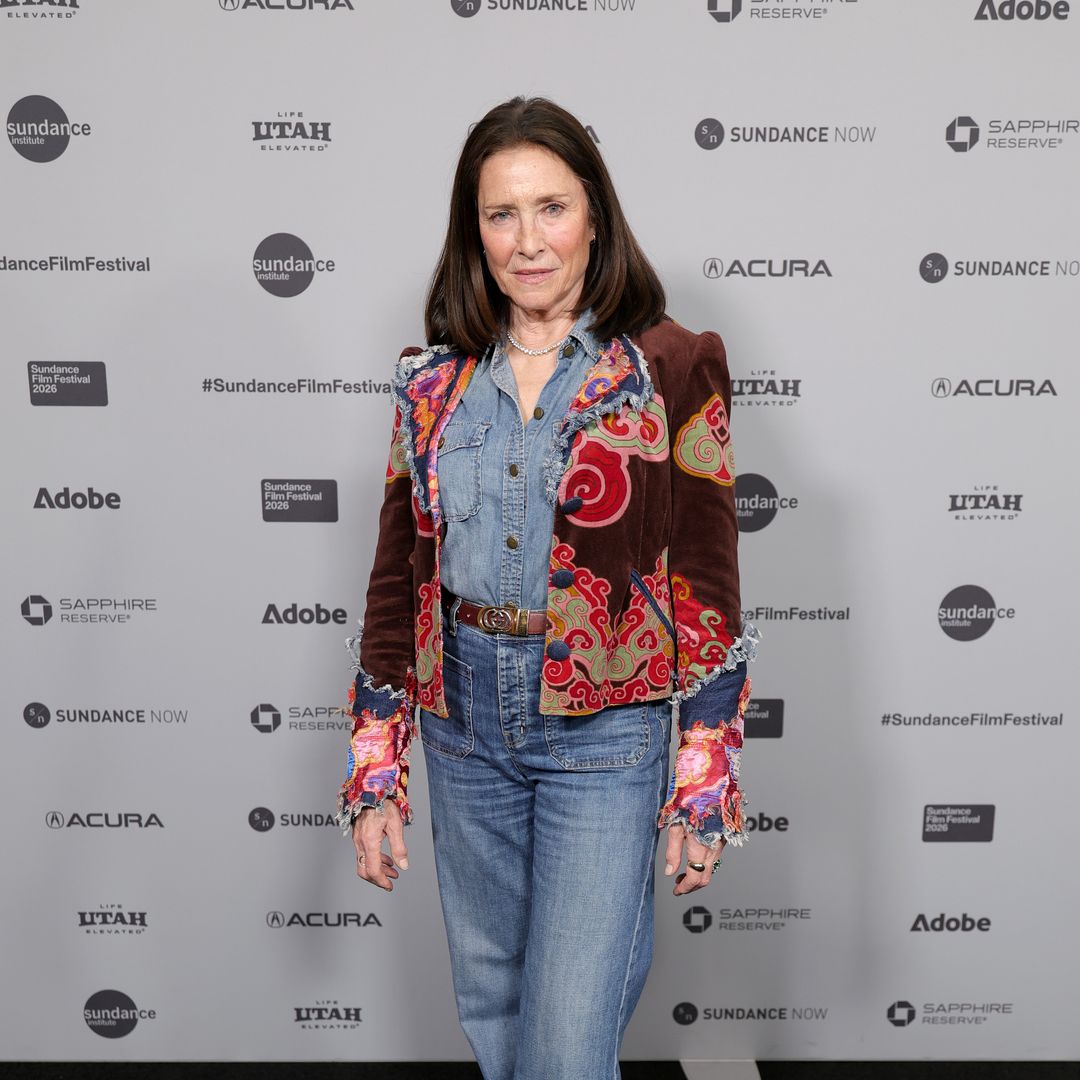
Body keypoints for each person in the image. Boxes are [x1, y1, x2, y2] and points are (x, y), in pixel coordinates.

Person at [335, 96, 759, 1080]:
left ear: (596, 216)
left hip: (601, 730)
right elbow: (397, 580)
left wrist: (704, 771)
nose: (527, 240)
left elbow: (706, 580)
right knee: (495, 1015)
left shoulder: (670, 366)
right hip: (461, 723)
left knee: (565, 1047)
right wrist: (374, 768)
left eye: (551, 208)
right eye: (500, 214)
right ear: (472, 232)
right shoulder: (431, 383)